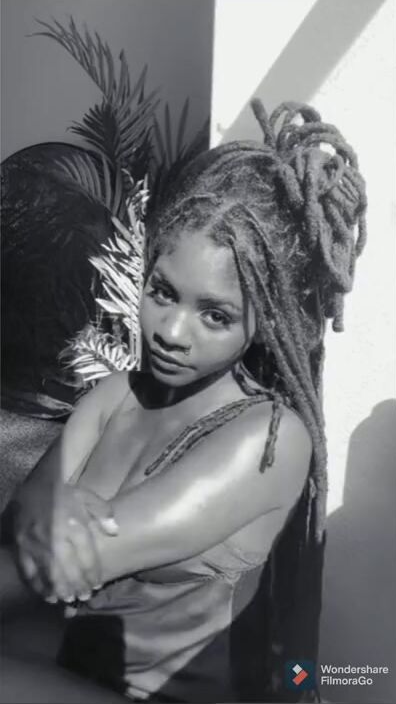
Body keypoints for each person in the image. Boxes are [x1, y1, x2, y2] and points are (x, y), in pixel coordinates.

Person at [3, 99, 367, 703]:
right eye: (163, 292)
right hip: (74, 674)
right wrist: (50, 519)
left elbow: (58, 559)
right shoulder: (117, 396)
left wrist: (69, 519)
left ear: (265, 321)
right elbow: (27, 526)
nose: (171, 332)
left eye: (215, 315)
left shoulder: (269, 439)